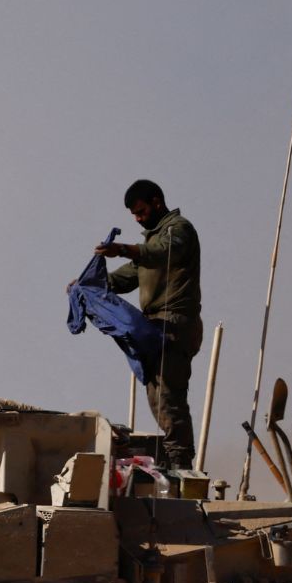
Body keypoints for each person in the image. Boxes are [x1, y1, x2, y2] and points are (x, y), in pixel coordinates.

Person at [93, 179, 202, 468]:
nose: (139, 219)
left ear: (156, 202)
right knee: (158, 398)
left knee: (169, 397)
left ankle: (181, 463)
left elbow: (162, 253)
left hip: (175, 324)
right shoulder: (150, 243)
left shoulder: (178, 230)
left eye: (141, 212)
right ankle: (177, 458)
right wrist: (88, 285)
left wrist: (125, 249)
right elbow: (127, 276)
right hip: (155, 328)